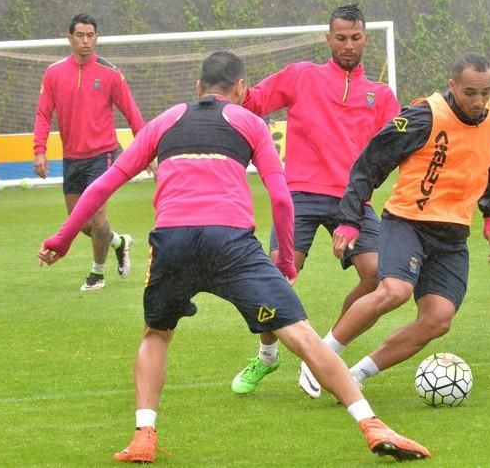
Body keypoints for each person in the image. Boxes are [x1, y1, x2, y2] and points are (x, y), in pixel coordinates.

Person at [37, 51, 431, 463]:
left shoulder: (166, 120)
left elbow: (102, 185)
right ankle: (371, 425)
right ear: (242, 89)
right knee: (301, 335)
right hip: (231, 243)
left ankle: (143, 434)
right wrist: (283, 262)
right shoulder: (249, 122)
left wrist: (63, 239)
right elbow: (280, 196)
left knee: (157, 333)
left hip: (173, 241)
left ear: (197, 88)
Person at [231, 3, 401, 398]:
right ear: (328, 39)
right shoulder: (301, 76)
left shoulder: (381, 96)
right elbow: (254, 102)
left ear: (365, 40)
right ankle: (267, 355)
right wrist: (239, 94)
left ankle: (326, 351)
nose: (348, 45)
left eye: (355, 38)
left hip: (353, 200)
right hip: (301, 194)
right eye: (340, 38)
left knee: (377, 276)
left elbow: (391, 151)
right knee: (276, 276)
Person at [324, 51, 490, 390]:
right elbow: (370, 163)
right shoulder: (423, 116)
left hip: (452, 236)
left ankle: (354, 377)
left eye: (486, 92)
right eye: (470, 92)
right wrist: (350, 220)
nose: (479, 101)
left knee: (438, 319)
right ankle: (322, 359)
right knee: (394, 291)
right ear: (452, 85)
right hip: (407, 222)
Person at [33, 13, 146, 291]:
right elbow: (43, 114)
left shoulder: (110, 73)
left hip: (103, 155)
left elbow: (132, 113)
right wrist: (39, 151)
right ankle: (120, 243)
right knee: (80, 222)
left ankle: (97, 275)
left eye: (90, 35)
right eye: (80, 35)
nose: (86, 41)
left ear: (96, 37)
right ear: (70, 38)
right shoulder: (54, 73)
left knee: (96, 217)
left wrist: (147, 150)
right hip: (72, 157)